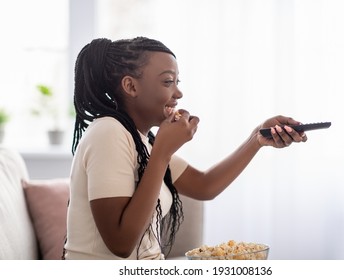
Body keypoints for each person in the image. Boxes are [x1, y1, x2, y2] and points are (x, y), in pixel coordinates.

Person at [63, 37, 307, 260]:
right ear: (131, 86)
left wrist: (256, 138)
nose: (178, 93)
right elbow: (121, 243)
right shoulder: (108, 132)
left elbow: (204, 185)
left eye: (177, 82)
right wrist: (162, 152)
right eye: (168, 81)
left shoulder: (141, 140)